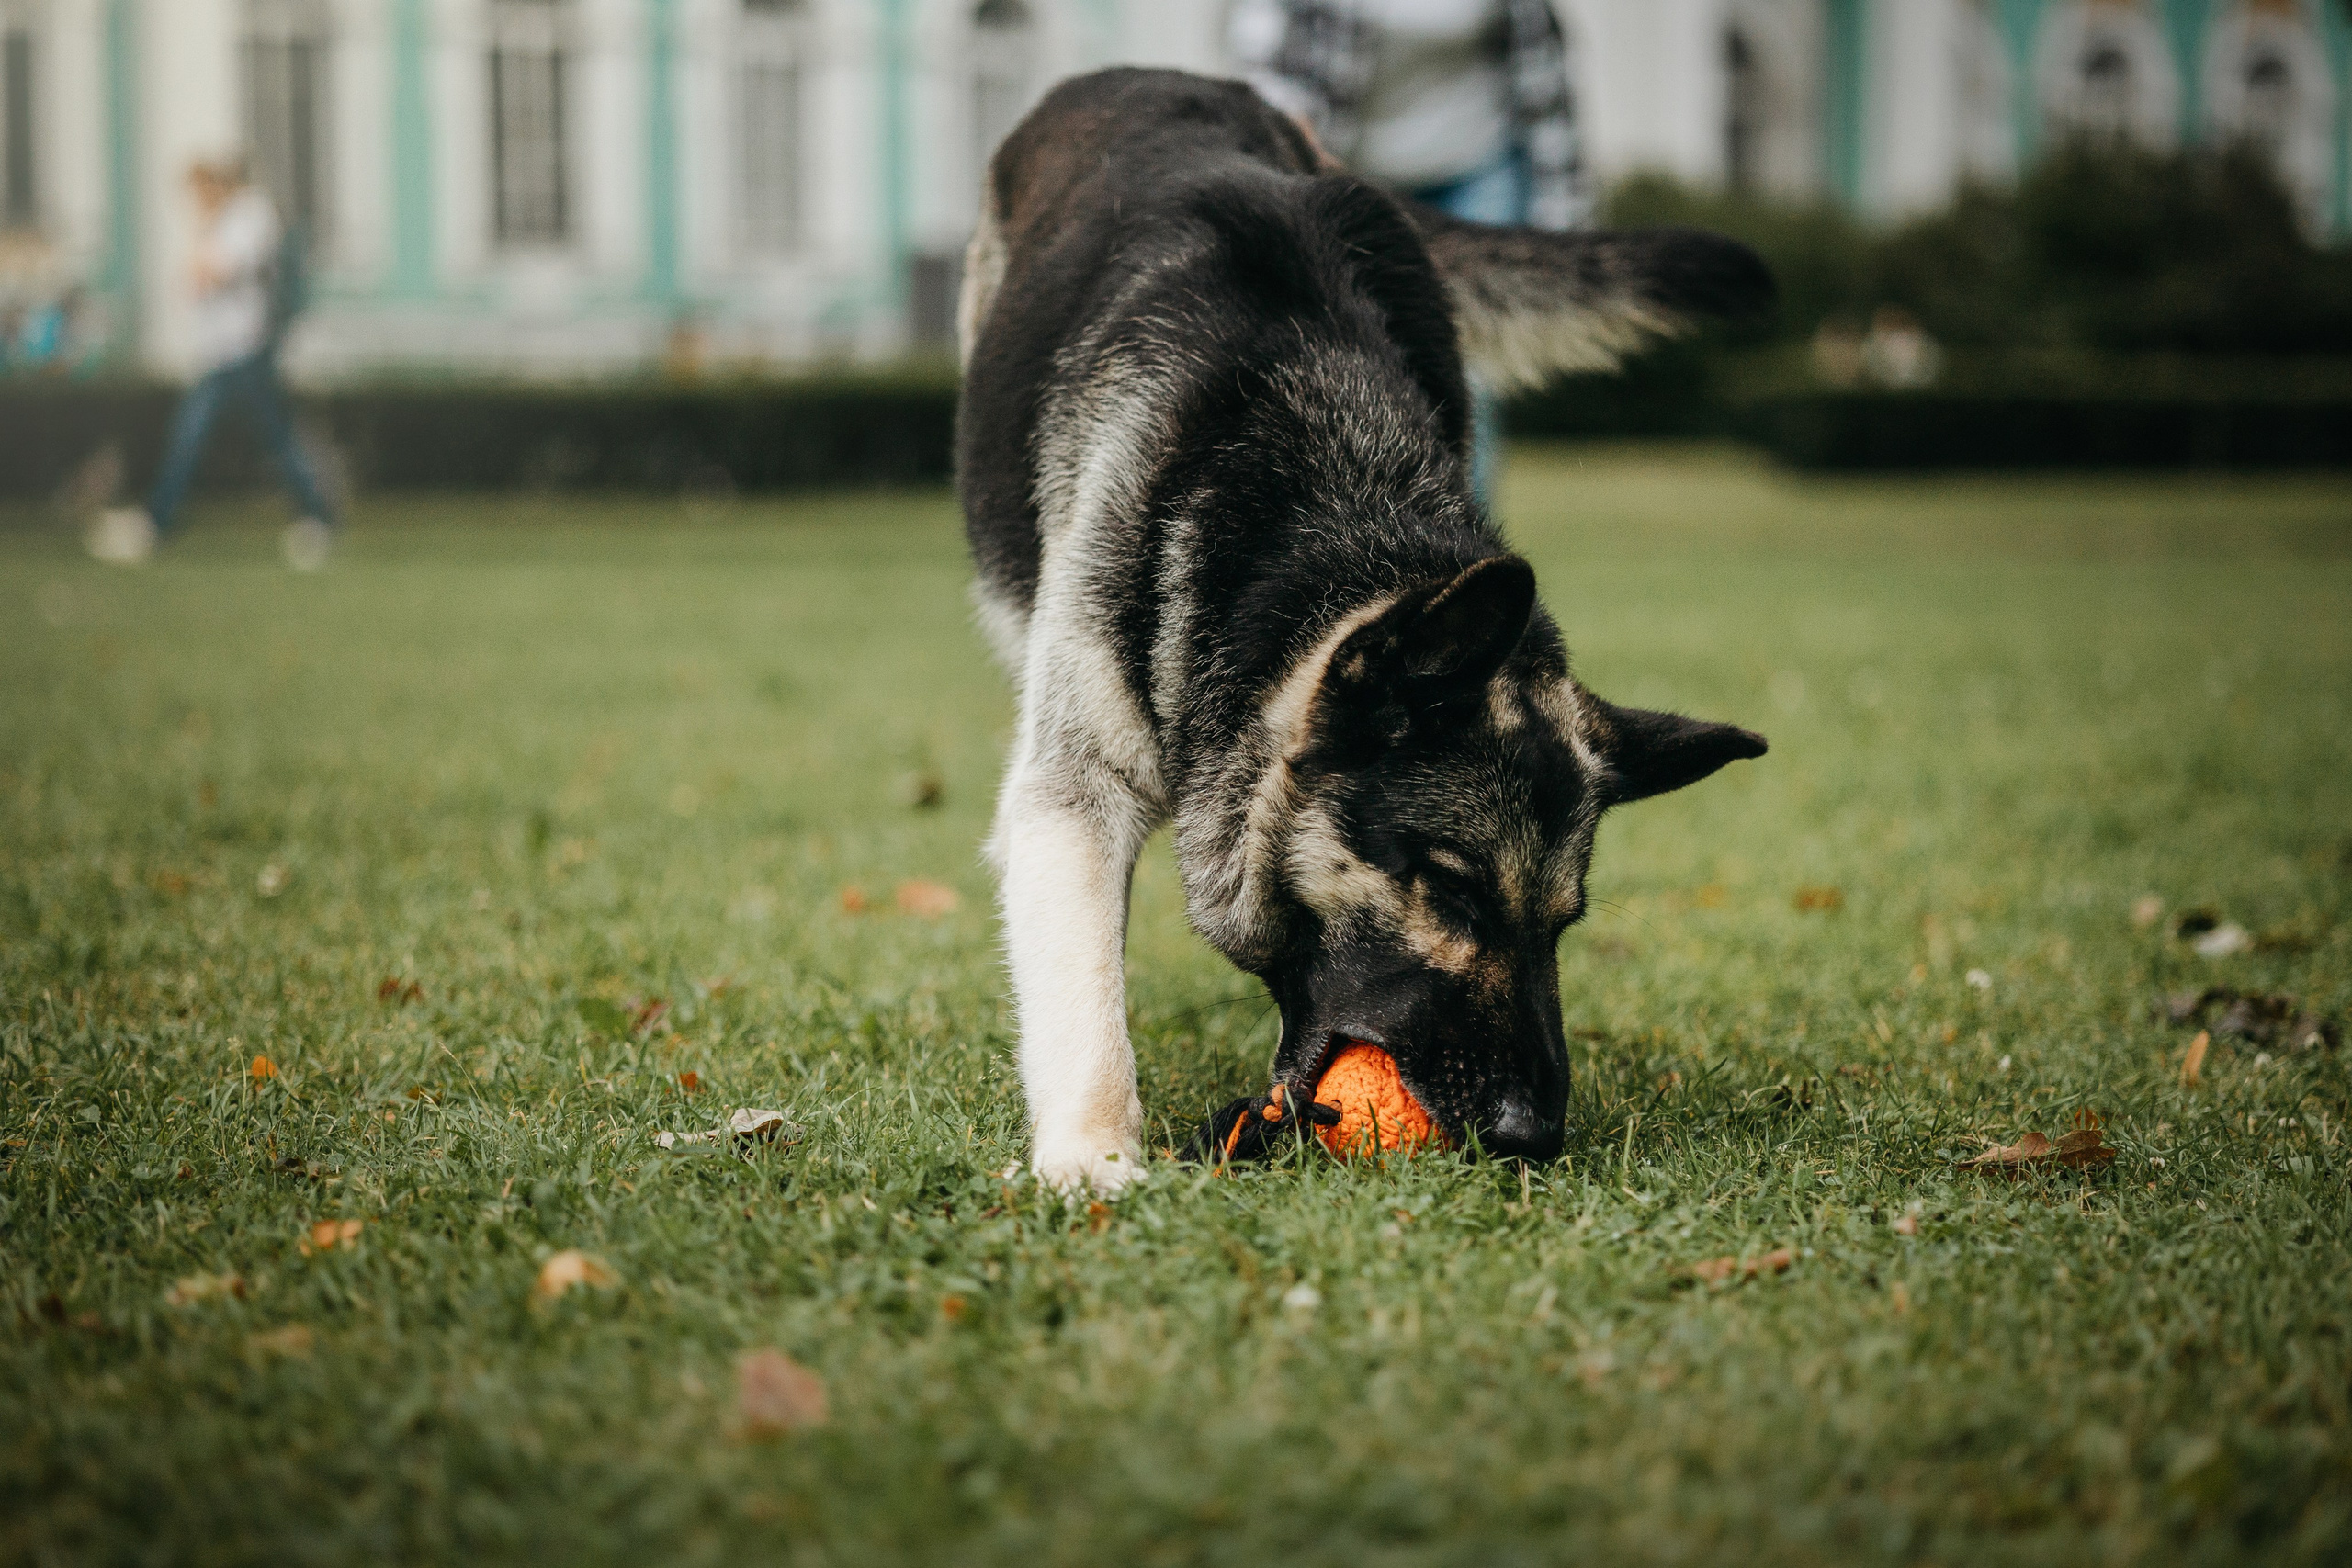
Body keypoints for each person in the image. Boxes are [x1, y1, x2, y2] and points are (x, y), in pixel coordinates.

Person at [1229, 0, 1589, 500]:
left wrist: (1559, 227)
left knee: (1468, 375)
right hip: (1352, 169)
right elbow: (1261, 38)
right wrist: (1286, 124)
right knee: (1352, 360)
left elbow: (1545, 79)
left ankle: (1461, 537)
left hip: (1477, 170)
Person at [86, 154, 336, 570]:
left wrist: (200, 238)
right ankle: (316, 517)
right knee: (272, 437)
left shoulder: (248, 216)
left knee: (199, 437)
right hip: (227, 353)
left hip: (242, 351)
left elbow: (205, 276)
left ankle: (157, 523)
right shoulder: (231, 219)